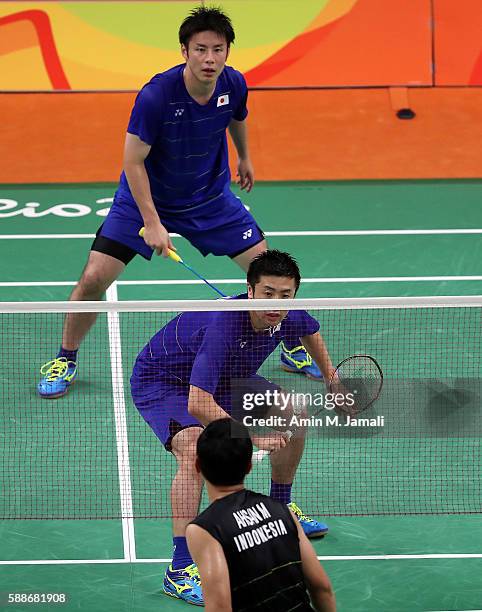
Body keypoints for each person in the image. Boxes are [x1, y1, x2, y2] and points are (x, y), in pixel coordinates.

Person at [37, 6, 321, 399]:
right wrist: (152, 222)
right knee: (92, 279)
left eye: (217, 49)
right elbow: (133, 161)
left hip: (209, 199)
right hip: (144, 201)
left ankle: (287, 341)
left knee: (269, 271)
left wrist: (244, 156)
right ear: (184, 51)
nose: (209, 58)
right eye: (200, 49)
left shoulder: (233, 84)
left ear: (227, 51)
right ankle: (65, 357)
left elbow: (237, 117)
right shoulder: (156, 96)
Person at [130, 250, 335, 606]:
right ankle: (179, 570)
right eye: (267, 293)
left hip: (224, 378)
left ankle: (281, 509)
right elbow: (197, 403)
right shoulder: (224, 325)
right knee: (193, 448)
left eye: (285, 295)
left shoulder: (286, 315)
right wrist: (254, 434)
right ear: (250, 290)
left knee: (293, 411)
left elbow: (310, 331)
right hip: (165, 381)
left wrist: (333, 381)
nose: (276, 302)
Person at [187, 418, 336, 612]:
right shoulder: (284, 511)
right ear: (249, 466)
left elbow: (220, 607)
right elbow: (321, 588)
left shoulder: (204, 529)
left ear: (197, 465)